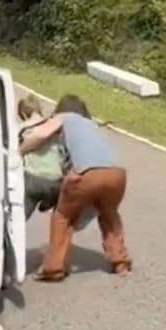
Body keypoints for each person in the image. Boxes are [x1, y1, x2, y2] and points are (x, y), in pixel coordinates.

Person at [19, 94, 130, 281]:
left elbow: (40, 134)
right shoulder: (90, 125)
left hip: (86, 173)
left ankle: (53, 269)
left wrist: (19, 151)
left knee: (62, 216)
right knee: (109, 215)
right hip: (116, 174)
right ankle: (120, 263)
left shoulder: (63, 118)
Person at [17, 95, 96, 229]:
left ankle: (8, 242)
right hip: (55, 181)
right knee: (62, 205)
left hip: (31, 179)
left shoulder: (21, 128)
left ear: (24, 113)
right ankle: (49, 202)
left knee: (18, 218)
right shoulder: (54, 124)